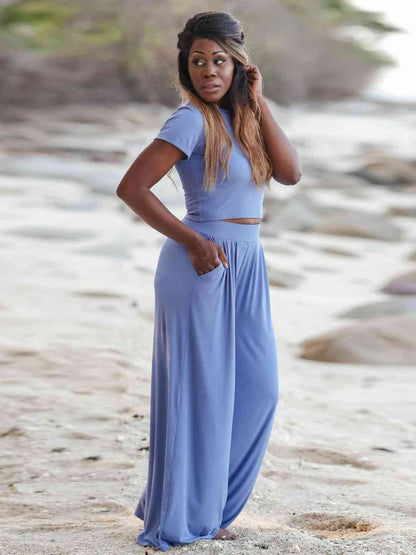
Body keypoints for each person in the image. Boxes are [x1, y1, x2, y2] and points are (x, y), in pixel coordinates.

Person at [116, 10, 301, 552]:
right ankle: (187, 516)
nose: (207, 70)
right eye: (197, 61)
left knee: (258, 389)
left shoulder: (244, 120)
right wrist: (193, 240)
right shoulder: (189, 120)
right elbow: (133, 188)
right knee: (202, 395)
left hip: (248, 262)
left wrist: (258, 100)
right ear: (186, 67)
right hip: (200, 262)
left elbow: (289, 173)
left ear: (239, 64)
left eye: (219, 60)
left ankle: (209, 506)